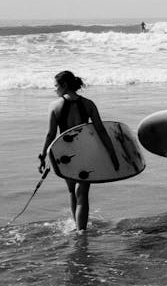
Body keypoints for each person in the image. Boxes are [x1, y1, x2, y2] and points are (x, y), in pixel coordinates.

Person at [38, 71, 119, 231]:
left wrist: (44, 156)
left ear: (64, 85)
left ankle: (77, 228)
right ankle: (81, 232)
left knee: (71, 192)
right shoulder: (88, 104)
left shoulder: (55, 106)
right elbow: (101, 131)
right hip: (84, 152)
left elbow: (51, 135)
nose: (55, 89)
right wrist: (112, 154)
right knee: (82, 193)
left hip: (65, 154)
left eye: (56, 86)